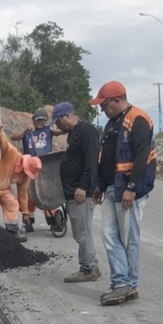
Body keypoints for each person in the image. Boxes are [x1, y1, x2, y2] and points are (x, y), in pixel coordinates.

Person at [90, 81, 157, 306]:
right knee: (109, 236)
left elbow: (142, 155)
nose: (102, 109)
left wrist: (132, 188)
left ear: (117, 100)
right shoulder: (112, 123)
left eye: (104, 105)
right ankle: (121, 283)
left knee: (129, 238)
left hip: (128, 190)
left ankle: (129, 285)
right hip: (111, 188)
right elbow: (105, 157)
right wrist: (100, 185)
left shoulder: (137, 119)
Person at [51, 101, 101, 282]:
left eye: (59, 121)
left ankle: (88, 268)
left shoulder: (86, 131)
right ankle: (92, 265)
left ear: (68, 116)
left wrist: (82, 186)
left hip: (81, 192)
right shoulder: (75, 133)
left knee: (82, 232)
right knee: (82, 231)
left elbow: (91, 161)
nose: (58, 126)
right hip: (74, 191)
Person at [0, 124, 42, 242]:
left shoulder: (25, 177)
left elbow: (22, 194)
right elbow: (5, 144)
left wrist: (25, 213)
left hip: (4, 189)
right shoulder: (12, 154)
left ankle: (12, 231)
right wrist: (1, 132)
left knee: (12, 203)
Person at [10, 107, 64, 233]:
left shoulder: (48, 130)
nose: (40, 123)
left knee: (48, 192)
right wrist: (25, 131)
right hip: (30, 166)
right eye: (38, 120)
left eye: (42, 120)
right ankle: (29, 220)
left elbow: (59, 132)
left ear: (46, 120)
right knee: (30, 193)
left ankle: (53, 216)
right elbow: (14, 137)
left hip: (46, 165)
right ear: (33, 119)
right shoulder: (29, 132)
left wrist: (61, 129)